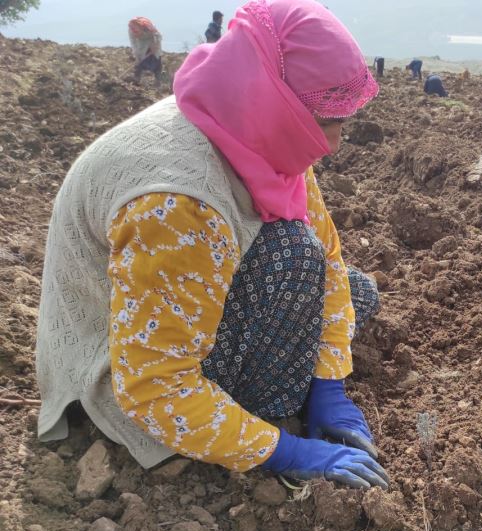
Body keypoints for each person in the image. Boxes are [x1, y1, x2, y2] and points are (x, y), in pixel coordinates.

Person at [36, 0, 389, 490]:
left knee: (352, 290)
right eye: (327, 119)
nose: (333, 141)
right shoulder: (177, 201)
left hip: (181, 298)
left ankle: (298, 394)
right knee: (292, 257)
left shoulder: (252, 121)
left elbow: (330, 260)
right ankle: (267, 414)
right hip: (127, 372)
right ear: (277, 97)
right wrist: (285, 450)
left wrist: (330, 385)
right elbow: (155, 385)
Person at [128, 17, 163, 83]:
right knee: (139, 62)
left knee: (157, 61)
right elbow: (133, 43)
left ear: (141, 28)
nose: (136, 34)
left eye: (137, 31)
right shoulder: (131, 29)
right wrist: (136, 54)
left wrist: (156, 45)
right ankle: (136, 79)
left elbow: (159, 36)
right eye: (135, 33)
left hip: (153, 41)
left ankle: (158, 80)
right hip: (142, 43)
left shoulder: (148, 26)